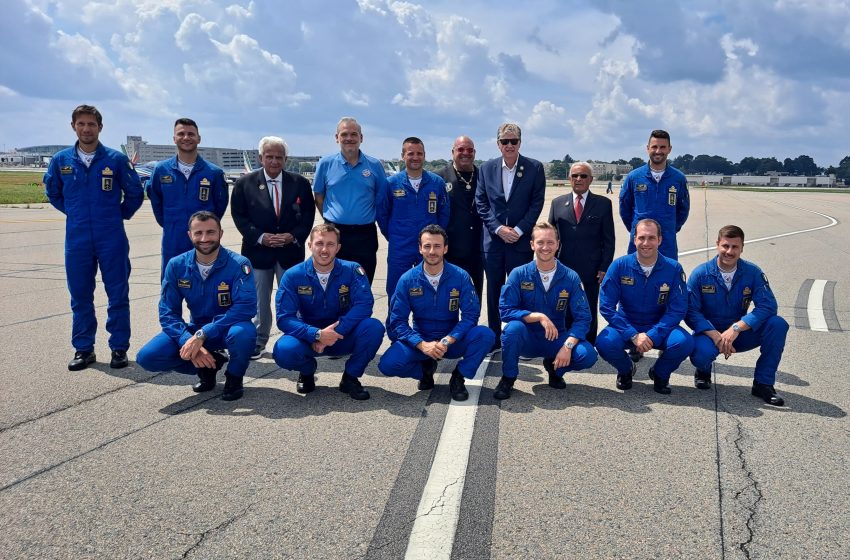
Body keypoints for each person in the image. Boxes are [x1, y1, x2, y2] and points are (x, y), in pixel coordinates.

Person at [44, 104, 144, 371]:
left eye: (91, 124)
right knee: (79, 296)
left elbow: (135, 194)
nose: (86, 129)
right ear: (73, 127)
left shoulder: (115, 160)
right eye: (81, 124)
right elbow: (53, 193)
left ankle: (119, 348)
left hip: (111, 237)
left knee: (118, 294)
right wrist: (75, 213)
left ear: (100, 127)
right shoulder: (61, 160)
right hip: (77, 240)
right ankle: (83, 348)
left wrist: (116, 215)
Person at [136, 211, 257, 401]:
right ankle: (208, 365)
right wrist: (187, 339)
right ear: (189, 235)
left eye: (210, 232)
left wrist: (203, 335)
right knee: (148, 357)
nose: (204, 238)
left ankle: (234, 377)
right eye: (198, 233)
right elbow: (167, 312)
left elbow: (245, 308)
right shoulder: (176, 265)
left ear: (220, 234)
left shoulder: (239, 264)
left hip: (227, 328)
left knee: (244, 333)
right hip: (195, 330)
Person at [379, 225, 494, 401]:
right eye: (427, 246)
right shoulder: (407, 279)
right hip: (421, 339)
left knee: (485, 335)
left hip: (451, 339)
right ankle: (425, 370)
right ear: (420, 248)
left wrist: (448, 340)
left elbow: (471, 315)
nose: (432, 251)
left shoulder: (460, 276)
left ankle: (459, 377)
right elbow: (398, 321)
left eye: (437, 246)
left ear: (445, 248)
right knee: (387, 364)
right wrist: (421, 344)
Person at [273, 224, 384, 401]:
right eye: (319, 243)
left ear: (338, 247)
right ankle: (307, 371)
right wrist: (316, 335)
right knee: (283, 350)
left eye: (330, 244)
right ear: (309, 245)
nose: (324, 250)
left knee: (374, 328)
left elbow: (364, 305)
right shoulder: (293, 275)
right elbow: (284, 318)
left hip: (342, 335)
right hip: (308, 339)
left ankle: (350, 377)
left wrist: (335, 333)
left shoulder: (352, 270)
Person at [231, 136, 315, 359]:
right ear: (261, 158)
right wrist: (260, 237)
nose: (274, 161)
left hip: (290, 252)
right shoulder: (244, 184)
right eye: (269, 156)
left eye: (279, 157)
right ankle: (259, 341)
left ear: (286, 159)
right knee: (259, 300)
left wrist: (292, 236)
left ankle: (296, 339)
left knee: (293, 299)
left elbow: (307, 216)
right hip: (258, 253)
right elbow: (239, 217)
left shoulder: (300, 183)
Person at [686, 225, 788, 406]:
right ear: (717, 245)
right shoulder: (701, 274)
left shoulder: (752, 272)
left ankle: (763, 383)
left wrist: (737, 327)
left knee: (777, 324)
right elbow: (691, 311)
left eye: (735, 247)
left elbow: (768, 306)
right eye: (725, 246)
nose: (729, 251)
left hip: (738, 334)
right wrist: (714, 334)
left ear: (742, 247)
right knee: (700, 354)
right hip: (709, 334)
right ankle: (703, 370)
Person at [495, 222, 598, 400]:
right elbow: (505, 310)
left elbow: (583, 317)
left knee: (587, 355)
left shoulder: (570, 277)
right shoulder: (518, 274)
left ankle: (555, 369)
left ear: (558, 244)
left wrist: (567, 346)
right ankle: (508, 378)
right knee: (511, 330)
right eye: (540, 242)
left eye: (550, 242)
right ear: (532, 245)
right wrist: (538, 317)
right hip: (528, 338)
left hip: (556, 338)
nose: (545, 247)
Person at [596, 219, 694, 394]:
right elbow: (606, 306)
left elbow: (678, 308)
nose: (646, 243)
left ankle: (660, 373)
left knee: (684, 343)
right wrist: (632, 334)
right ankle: (626, 370)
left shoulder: (673, 269)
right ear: (634, 240)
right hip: (626, 325)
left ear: (660, 240)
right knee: (604, 343)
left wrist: (654, 334)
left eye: (651, 238)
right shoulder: (619, 266)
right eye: (641, 238)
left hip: (659, 326)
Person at [475, 123, 546, 349]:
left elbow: (536, 203)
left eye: (513, 141)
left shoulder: (534, 168)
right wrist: (498, 229)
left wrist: (518, 230)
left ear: (519, 143)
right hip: (493, 242)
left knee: (522, 291)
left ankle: (521, 338)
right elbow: (481, 202)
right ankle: (496, 337)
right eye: (504, 141)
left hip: (520, 241)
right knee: (494, 290)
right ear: (498, 144)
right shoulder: (486, 169)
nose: (509, 145)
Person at [146, 118, 229, 276]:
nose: (186, 137)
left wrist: (206, 229)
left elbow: (220, 205)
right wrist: (170, 224)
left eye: (191, 134)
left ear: (199, 138)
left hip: (204, 242)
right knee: (171, 287)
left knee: (204, 290)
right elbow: (156, 200)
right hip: (173, 240)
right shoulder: (161, 170)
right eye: (181, 134)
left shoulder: (214, 173)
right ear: (174, 139)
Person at [312, 117, 388, 284]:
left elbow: (381, 199)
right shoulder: (325, 164)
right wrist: (329, 219)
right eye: (344, 134)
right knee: (332, 285)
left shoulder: (374, 165)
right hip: (334, 234)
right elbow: (319, 196)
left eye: (354, 134)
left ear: (361, 138)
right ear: (337, 138)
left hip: (364, 235)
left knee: (363, 284)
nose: (349, 138)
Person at [548, 161, 615, 344]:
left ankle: (588, 341)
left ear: (591, 180)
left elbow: (608, 240)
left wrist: (604, 267)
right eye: (575, 175)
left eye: (583, 176)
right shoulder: (557, 203)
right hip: (563, 266)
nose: (579, 179)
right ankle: (564, 338)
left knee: (588, 305)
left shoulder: (603, 204)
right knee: (563, 304)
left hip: (591, 268)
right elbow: (551, 237)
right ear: (569, 178)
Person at [377, 137, 449, 296]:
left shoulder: (436, 183)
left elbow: (444, 214)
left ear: (424, 155)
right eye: (411, 153)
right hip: (400, 247)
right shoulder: (391, 183)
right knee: (396, 291)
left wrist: (435, 239)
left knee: (428, 291)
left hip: (428, 248)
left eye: (419, 153)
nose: (415, 157)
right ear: (403, 155)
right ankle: (396, 322)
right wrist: (394, 235)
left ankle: (424, 321)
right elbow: (382, 214)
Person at [619, 129, 689, 260]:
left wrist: (669, 229)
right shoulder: (634, 177)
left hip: (667, 244)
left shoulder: (678, 178)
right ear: (647, 148)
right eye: (654, 147)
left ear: (669, 149)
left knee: (667, 278)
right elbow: (624, 208)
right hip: (639, 243)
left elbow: (683, 211)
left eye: (662, 147)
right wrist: (636, 229)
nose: (658, 151)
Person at [436, 135, 484, 300]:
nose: (465, 153)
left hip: (477, 251)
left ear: (475, 153)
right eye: (461, 149)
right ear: (452, 152)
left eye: (470, 150)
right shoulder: (438, 178)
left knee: (474, 298)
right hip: (450, 252)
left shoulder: (483, 176)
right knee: (449, 299)